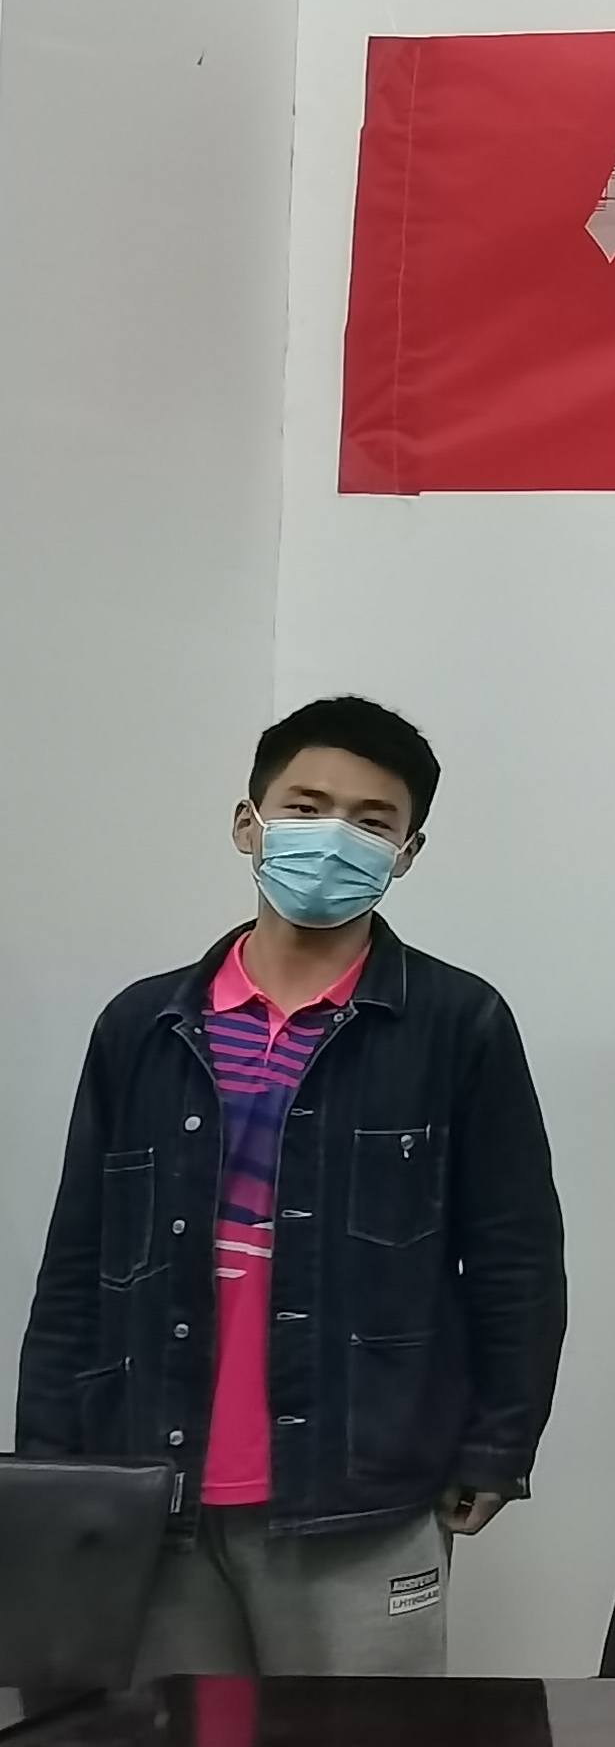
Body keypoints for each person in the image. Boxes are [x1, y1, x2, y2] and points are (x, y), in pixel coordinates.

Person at [15, 697, 564, 1676]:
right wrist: (49, 1467)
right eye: (306, 807)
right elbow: (78, 1259)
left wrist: (498, 1446)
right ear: (248, 822)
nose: (333, 837)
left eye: (371, 820)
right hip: (150, 1481)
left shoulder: (458, 1022)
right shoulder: (142, 1025)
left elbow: (515, 1256)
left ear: (408, 852)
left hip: (365, 1490)